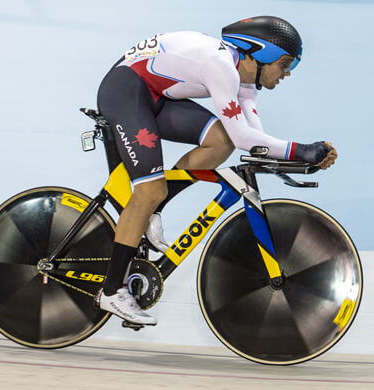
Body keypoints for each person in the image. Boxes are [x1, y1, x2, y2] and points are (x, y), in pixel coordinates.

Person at [94, 16, 338, 325]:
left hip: (156, 95)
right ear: (259, 54)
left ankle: (154, 210)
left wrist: (304, 160)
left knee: (220, 142)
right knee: (149, 190)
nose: (287, 73)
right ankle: (112, 290)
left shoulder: (245, 79)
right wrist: (301, 149)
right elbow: (246, 138)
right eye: (285, 63)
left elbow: (252, 141)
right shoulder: (220, 66)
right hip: (126, 89)